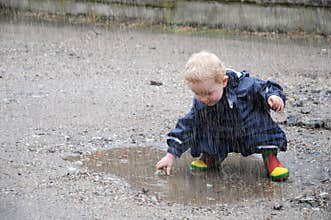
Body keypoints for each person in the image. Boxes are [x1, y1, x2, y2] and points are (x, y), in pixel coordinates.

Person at [156, 51, 289, 181]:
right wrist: (170, 155)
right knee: (202, 132)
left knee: (266, 134)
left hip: (250, 128)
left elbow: (266, 87)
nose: (203, 98)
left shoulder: (246, 86)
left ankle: (271, 159)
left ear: (224, 81)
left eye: (208, 93)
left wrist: (273, 96)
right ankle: (211, 156)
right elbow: (186, 126)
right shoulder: (201, 103)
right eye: (198, 93)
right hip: (221, 134)